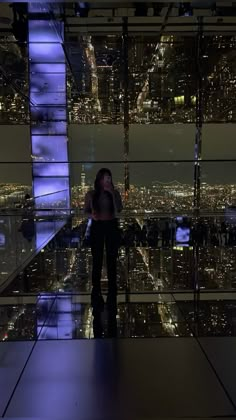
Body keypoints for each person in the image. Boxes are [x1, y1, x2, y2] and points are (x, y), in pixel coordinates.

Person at [84, 168, 123, 311]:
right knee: (97, 258)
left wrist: (112, 193)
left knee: (112, 257)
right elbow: (85, 211)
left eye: (109, 178)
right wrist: (91, 216)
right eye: (105, 178)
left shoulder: (115, 193)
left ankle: (112, 285)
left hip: (111, 226)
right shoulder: (91, 194)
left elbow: (119, 209)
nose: (108, 181)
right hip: (97, 227)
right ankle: (96, 287)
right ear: (99, 179)